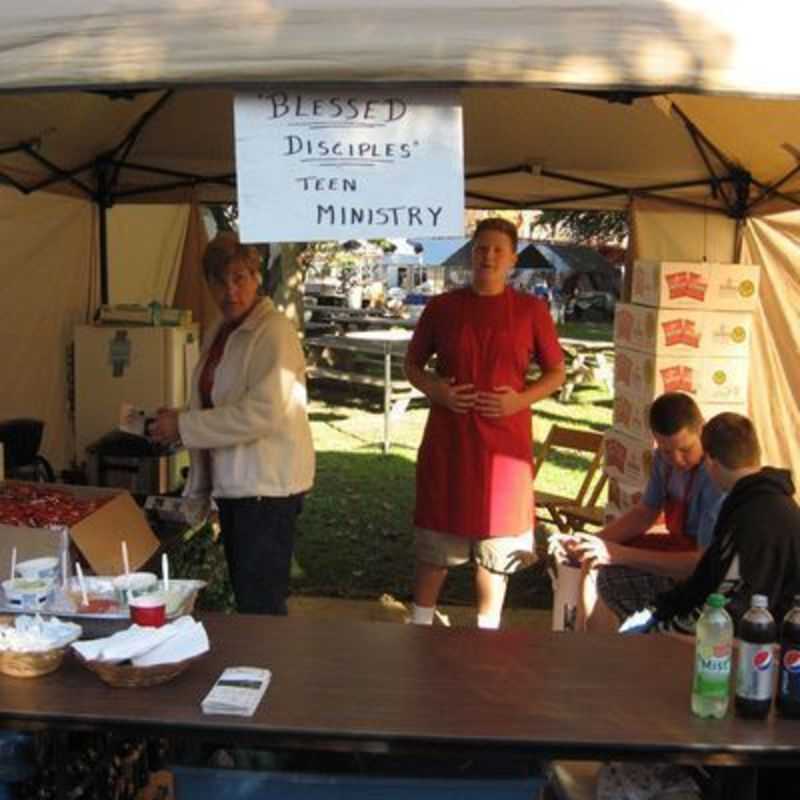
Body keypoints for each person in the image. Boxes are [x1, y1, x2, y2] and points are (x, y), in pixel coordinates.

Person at [404, 217, 566, 630]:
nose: (488, 256)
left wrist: (520, 400)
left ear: (512, 258)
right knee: (436, 546)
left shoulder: (531, 311)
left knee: (495, 553)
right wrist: (437, 390)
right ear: (470, 253)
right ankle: (420, 625)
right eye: (481, 248)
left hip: (505, 447)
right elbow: (413, 365)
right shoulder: (442, 307)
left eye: (497, 250)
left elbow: (556, 373)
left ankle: (487, 634)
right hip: (449, 441)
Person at [150, 231, 314, 615]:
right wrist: (177, 417)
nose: (230, 290)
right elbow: (221, 400)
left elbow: (263, 411)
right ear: (207, 284)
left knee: (261, 604)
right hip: (238, 488)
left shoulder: (274, 331)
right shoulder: (220, 331)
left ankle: (269, 670)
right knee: (251, 597)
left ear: (257, 277)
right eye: (219, 280)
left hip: (267, 490)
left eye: (239, 278)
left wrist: (186, 426)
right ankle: (260, 666)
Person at [623, 412, 800, 634]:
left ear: (710, 462)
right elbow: (704, 579)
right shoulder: (745, 504)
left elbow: (731, 608)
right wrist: (657, 610)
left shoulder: (757, 518)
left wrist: (663, 632)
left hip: (772, 644)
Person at [570, 392, 724, 631]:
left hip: (704, 566)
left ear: (701, 430)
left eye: (685, 449)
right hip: (678, 547)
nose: (676, 460)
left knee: (609, 576)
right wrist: (592, 541)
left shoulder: (715, 475)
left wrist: (615, 553)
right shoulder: (662, 461)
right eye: (665, 450)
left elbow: (700, 563)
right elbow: (646, 512)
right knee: (592, 560)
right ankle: (585, 642)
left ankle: (602, 649)